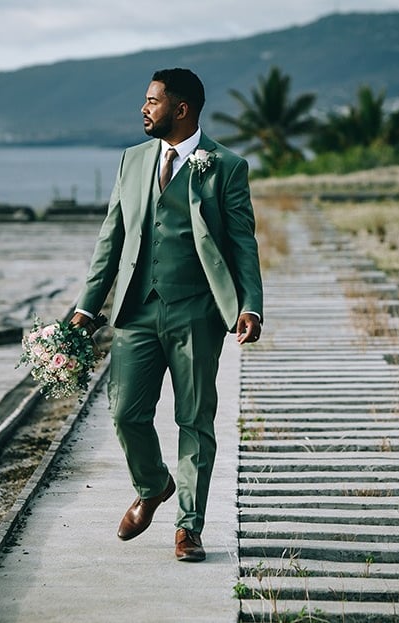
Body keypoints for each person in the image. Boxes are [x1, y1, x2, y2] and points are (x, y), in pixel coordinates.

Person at [71, 67, 263, 562]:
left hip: (197, 313)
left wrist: (250, 305)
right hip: (135, 312)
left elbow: (243, 242)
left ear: (181, 109)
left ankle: (190, 527)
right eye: (145, 100)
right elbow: (110, 239)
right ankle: (154, 485)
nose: (144, 108)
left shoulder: (225, 165)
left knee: (194, 419)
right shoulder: (132, 161)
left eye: (153, 101)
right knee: (124, 412)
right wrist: (87, 306)